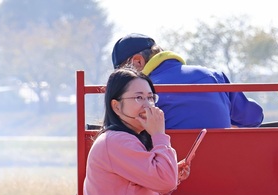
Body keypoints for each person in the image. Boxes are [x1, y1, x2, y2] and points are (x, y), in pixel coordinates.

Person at [82, 68, 190, 195]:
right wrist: (159, 134)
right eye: (139, 98)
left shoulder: (130, 139)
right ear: (116, 106)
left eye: (150, 98)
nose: (148, 105)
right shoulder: (117, 141)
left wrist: (172, 175)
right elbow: (165, 182)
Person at [110, 33, 264, 129]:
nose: (124, 80)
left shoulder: (142, 94)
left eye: (124, 72)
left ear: (138, 62)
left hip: (169, 175)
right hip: (226, 170)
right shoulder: (214, 76)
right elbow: (254, 117)